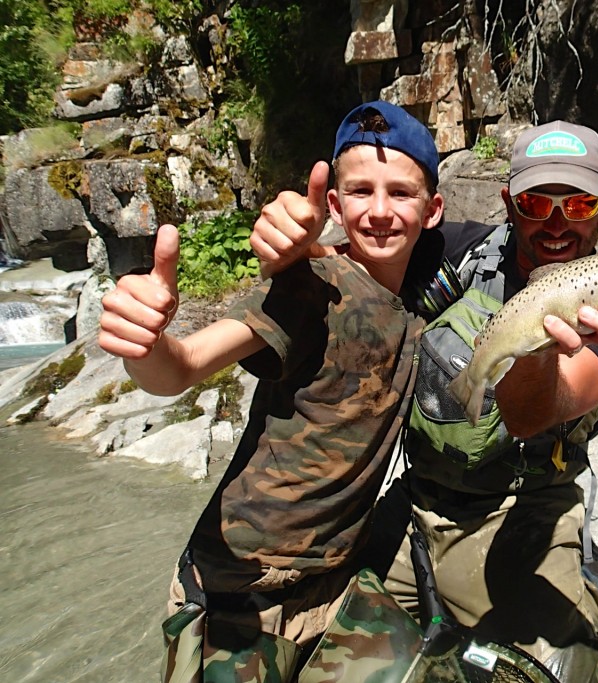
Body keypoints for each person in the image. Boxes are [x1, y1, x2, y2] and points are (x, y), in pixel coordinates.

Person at [253, 120, 598, 682]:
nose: (556, 225)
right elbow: (355, 259)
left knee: (565, 670)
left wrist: (536, 345)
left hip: (523, 516)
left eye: (577, 206)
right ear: (510, 202)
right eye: (537, 202)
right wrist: (291, 242)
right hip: (413, 502)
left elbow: (529, 414)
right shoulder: (459, 252)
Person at [98, 100, 445, 681]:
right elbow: (182, 367)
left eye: (401, 194)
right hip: (239, 591)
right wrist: (146, 344)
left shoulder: (419, 307)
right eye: (360, 192)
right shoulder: (313, 286)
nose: (380, 212)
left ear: (432, 209)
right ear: (333, 203)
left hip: (336, 588)